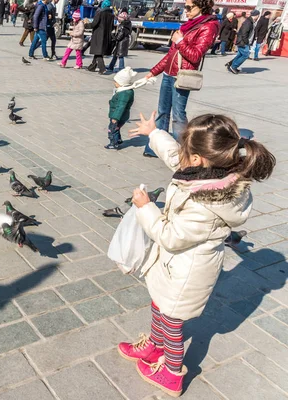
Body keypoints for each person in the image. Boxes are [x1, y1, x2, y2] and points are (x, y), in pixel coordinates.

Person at [121, 112, 275, 397]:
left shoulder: (204, 204)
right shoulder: (212, 169)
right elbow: (174, 157)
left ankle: (172, 372)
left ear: (197, 160)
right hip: (172, 266)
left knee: (172, 321)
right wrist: (154, 133)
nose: (180, 156)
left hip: (185, 272)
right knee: (159, 305)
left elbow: (170, 236)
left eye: (186, 152)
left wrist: (145, 207)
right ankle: (155, 347)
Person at [143, 0, 218, 158]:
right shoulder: (188, 25)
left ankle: (182, 152)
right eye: (185, 7)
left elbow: (196, 55)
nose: (186, 10)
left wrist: (180, 41)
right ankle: (156, 147)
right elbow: (171, 54)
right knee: (162, 112)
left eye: (190, 7)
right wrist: (153, 72)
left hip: (182, 76)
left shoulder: (209, 26)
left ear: (201, 6)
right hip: (168, 74)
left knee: (178, 115)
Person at [105, 68, 154, 149]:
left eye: (116, 82)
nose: (114, 83)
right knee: (116, 128)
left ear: (122, 83)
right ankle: (118, 140)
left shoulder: (124, 93)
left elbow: (121, 106)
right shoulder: (125, 90)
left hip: (118, 116)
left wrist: (115, 117)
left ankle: (114, 143)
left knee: (112, 129)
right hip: (121, 115)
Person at [83, 0, 114, 74]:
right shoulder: (112, 15)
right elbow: (112, 27)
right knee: (98, 51)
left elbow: (94, 24)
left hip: (98, 35)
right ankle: (92, 67)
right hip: (106, 36)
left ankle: (102, 68)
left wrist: (86, 25)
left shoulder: (100, 13)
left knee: (98, 52)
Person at [227, 9, 258, 74]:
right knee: (245, 55)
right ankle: (234, 66)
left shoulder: (251, 21)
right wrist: (246, 42)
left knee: (240, 54)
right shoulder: (248, 22)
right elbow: (244, 33)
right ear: (256, 15)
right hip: (243, 41)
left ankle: (231, 65)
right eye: (258, 15)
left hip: (243, 41)